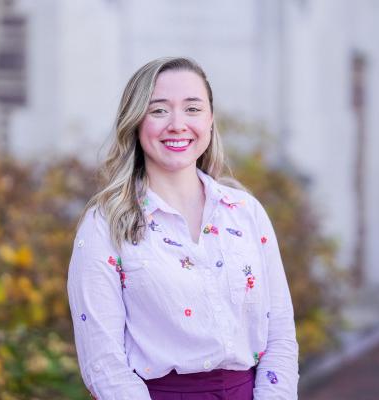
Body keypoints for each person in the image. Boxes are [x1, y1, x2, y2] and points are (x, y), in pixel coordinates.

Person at [67, 57, 299, 399]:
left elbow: (279, 334)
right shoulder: (105, 225)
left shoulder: (245, 212)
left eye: (192, 109)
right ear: (135, 121)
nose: (177, 124)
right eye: (159, 110)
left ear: (210, 120)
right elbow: (103, 361)